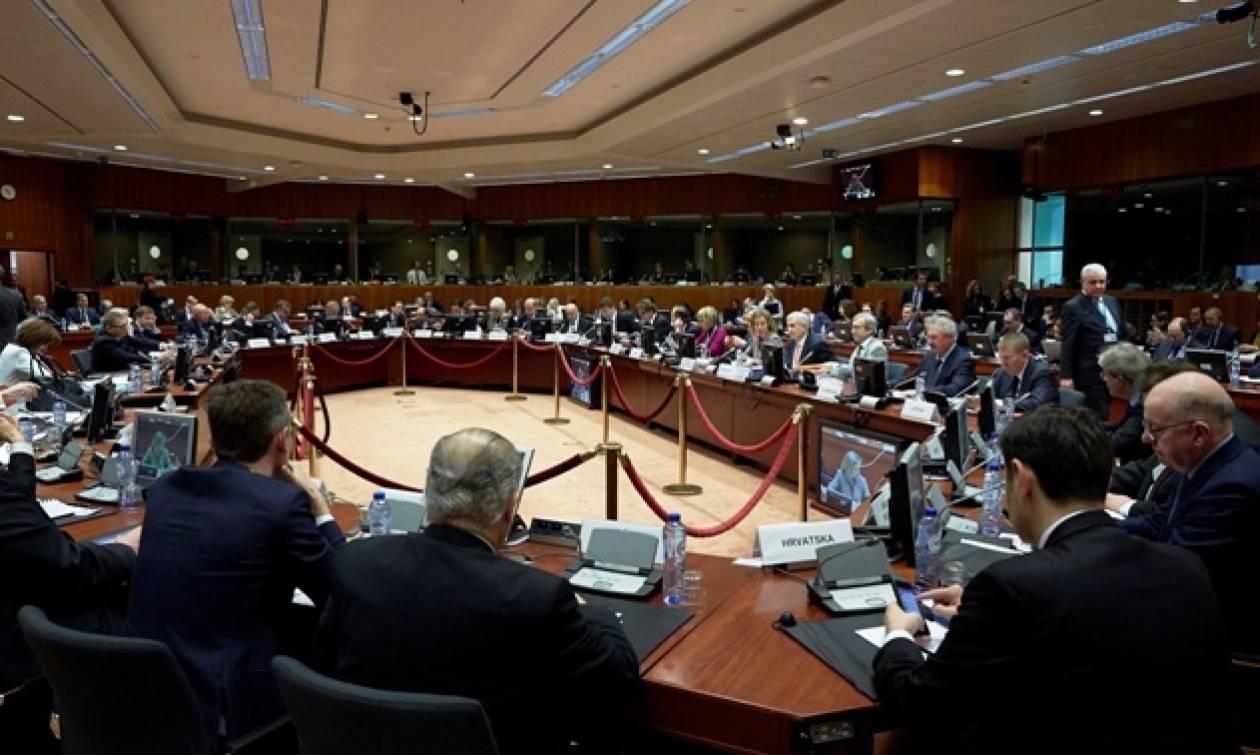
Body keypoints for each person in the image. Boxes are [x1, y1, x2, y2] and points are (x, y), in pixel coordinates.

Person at [874, 406, 1235, 754]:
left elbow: (921, 706)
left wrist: (899, 634)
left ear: (1022, 479)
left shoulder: (1012, 586)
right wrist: (981, 617)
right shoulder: (1185, 565)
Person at [315, 428, 637, 753]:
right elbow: (616, 679)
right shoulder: (536, 597)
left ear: (428, 494)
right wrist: (594, 610)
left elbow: (321, 663)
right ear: (508, 509)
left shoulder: (355, 563)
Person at [128, 380, 346, 746]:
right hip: (228, 699)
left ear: (214, 441)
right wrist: (319, 506)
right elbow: (342, 589)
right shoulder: (281, 505)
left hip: (149, 688)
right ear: (282, 441)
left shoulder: (166, 488)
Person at [0, 412, 140, 753]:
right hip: (18, 646)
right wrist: (127, 549)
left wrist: (19, 444)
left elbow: (15, 512)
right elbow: (68, 566)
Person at [1119, 371, 1260, 654]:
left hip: (1224, 637)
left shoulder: (1232, 486)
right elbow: (1162, 522)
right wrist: (1091, 525)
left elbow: (1176, 567)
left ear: (1198, 434)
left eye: (1155, 429)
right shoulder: (1207, 462)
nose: (1145, 439)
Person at [1058, 263, 1127, 418]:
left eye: (1102, 282)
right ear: (1083, 282)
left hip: (1114, 372)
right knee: (1096, 416)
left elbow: (1121, 333)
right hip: (1090, 374)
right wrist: (1065, 376)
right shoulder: (1072, 307)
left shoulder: (1112, 302)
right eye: (1093, 282)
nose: (1098, 286)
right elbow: (1068, 344)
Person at [1098, 342, 1150, 465]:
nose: (1103, 378)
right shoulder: (1137, 398)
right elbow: (1120, 425)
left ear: (1120, 379)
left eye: (1105, 374)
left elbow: (1115, 443)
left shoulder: (1144, 407)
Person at [903, 316, 976, 396]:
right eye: (928, 337)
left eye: (934, 337)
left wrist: (923, 392)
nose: (930, 342)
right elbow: (911, 379)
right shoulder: (930, 355)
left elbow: (954, 389)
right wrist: (893, 386)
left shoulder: (963, 360)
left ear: (950, 338)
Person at [989, 332, 1058, 413]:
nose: (1003, 363)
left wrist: (1005, 405)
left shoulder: (1042, 373)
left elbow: (1038, 402)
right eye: (1001, 357)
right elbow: (991, 398)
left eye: (1008, 357)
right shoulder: (1001, 372)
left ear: (1025, 355)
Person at [90, 309, 161, 372]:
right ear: (109, 328)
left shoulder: (118, 335)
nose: (125, 329)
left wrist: (160, 345)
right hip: (105, 375)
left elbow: (138, 342)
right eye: (121, 326)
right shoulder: (104, 341)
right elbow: (126, 357)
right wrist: (154, 358)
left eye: (125, 325)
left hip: (119, 372)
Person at [0, 317, 61, 387]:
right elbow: (48, 378)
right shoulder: (18, 352)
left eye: (48, 345)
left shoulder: (28, 352)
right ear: (33, 337)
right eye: (44, 343)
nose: (45, 349)